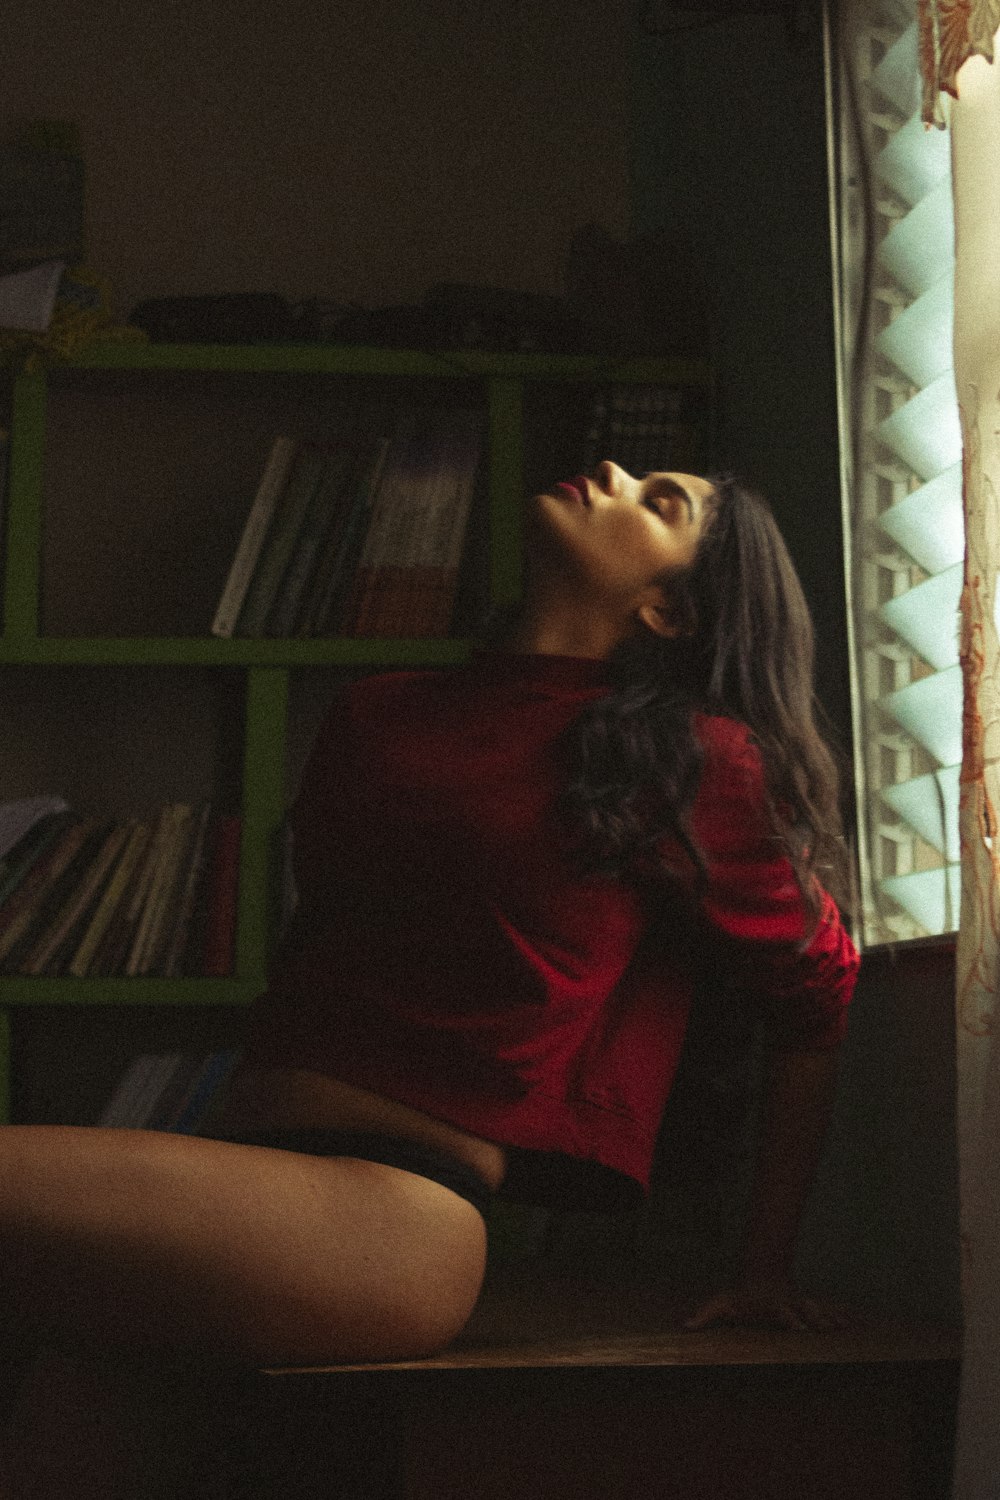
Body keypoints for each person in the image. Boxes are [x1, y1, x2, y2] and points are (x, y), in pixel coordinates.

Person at [0, 460, 859, 1483]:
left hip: (391, 1214)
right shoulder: (378, 713)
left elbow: (818, 992)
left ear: (668, 609)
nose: (615, 474)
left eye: (658, 501)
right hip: (239, 1176)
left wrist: (763, 1268)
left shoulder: (687, 759)